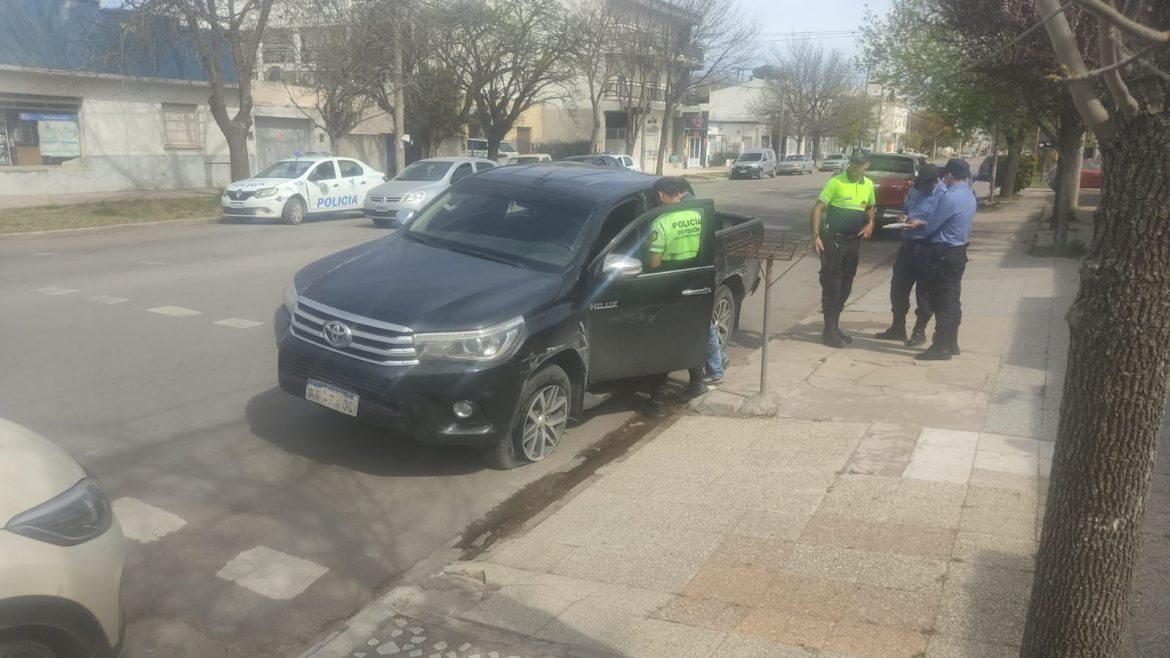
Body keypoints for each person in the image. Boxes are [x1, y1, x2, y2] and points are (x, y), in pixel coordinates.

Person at [636, 176, 710, 416]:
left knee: (662, 340)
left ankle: (656, 401)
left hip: (668, 284)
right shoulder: (697, 214)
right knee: (691, 332)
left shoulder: (661, 221)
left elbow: (655, 262)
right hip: (695, 279)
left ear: (660, 195)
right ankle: (697, 382)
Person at [903, 159, 977, 361]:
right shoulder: (969, 195)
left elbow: (932, 225)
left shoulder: (950, 197)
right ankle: (951, 342)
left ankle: (941, 345)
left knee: (942, 300)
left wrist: (919, 222)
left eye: (946, 175)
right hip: (958, 250)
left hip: (944, 252)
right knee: (953, 298)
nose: (944, 178)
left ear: (950, 175)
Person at [811, 152, 876, 348]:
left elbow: (870, 207)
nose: (855, 167)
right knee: (832, 285)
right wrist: (815, 235)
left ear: (866, 165)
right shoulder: (836, 182)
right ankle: (828, 332)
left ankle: (835, 327)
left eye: (859, 163)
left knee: (846, 286)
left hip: (853, 243)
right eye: (853, 163)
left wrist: (870, 224)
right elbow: (817, 208)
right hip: (834, 243)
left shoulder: (868, 185)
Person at [875, 163, 944, 346]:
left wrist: (921, 223)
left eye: (925, 186)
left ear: (935, 181)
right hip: (908, 245)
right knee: (898, 288)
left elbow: (942, 222)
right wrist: (903, 217)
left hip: (927, 247)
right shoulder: (915, 188)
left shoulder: (943, 195)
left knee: (924, 292)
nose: (921, 189)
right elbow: (906, 208)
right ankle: (898, 327)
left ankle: (919, 331)